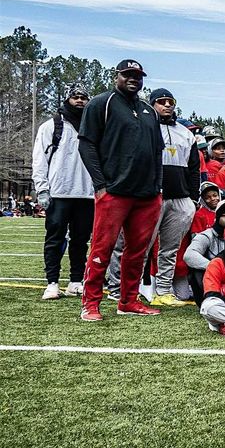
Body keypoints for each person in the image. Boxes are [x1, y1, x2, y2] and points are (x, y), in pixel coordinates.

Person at [76, 59, 164, 321]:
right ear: (117, 76)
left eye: (138, 75)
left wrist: (157, 187)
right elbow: (86, 145)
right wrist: (100, 185)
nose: (133, 79)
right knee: (102, 249)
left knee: (137, 252)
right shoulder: (101, 104)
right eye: (128, 74)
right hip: (114, 192)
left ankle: (128, 301)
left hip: (147, 195)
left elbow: (157, 152)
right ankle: (90, 303)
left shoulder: (149, 111)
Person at [32, 83, 94, 300]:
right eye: (76, 97)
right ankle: (52, 283)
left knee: (80, 240)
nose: (80, 101)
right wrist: (42, 189)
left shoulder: (94, 126)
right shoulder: (51, 126)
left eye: (84, 97)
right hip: (59, 193)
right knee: (55, 239)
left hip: (86, 194)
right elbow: (39, 159)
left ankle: (76, 282)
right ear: (67, 99)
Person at [145, 88, 200, 307]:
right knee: (142, 247)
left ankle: (164, 291)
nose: (167, 105)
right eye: (161, 101)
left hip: (180, 198)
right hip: (150, 197)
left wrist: (192, 199)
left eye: (171, 101)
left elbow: (194, 169)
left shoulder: (185, 133)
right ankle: (131, 290)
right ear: (152, 104)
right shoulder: (144, 127)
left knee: (170, 249)